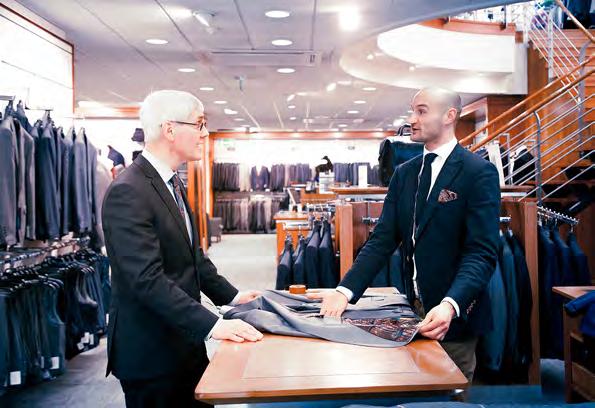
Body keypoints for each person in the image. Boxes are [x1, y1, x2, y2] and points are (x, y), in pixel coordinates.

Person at [310, 87, 501, 381]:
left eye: (421, 111)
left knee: (449, 395)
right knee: (411, 387)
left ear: (449, 116)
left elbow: (481, 252)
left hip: (452, 318)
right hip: (410, 314)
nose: (411, 119)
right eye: (412, 111)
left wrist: (451, 305)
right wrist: (344, 291)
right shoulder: (404, 173)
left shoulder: (478, 172)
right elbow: (383, 239)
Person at [102, 90, 263, 407]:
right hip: (151, 354)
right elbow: (146, 280)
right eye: (199, 124)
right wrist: (214, 325)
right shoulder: (128, 191)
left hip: (183, 341)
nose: (205, 134)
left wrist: (232, 297)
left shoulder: (171, 182)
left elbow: (192, 256)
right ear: (169, 129)